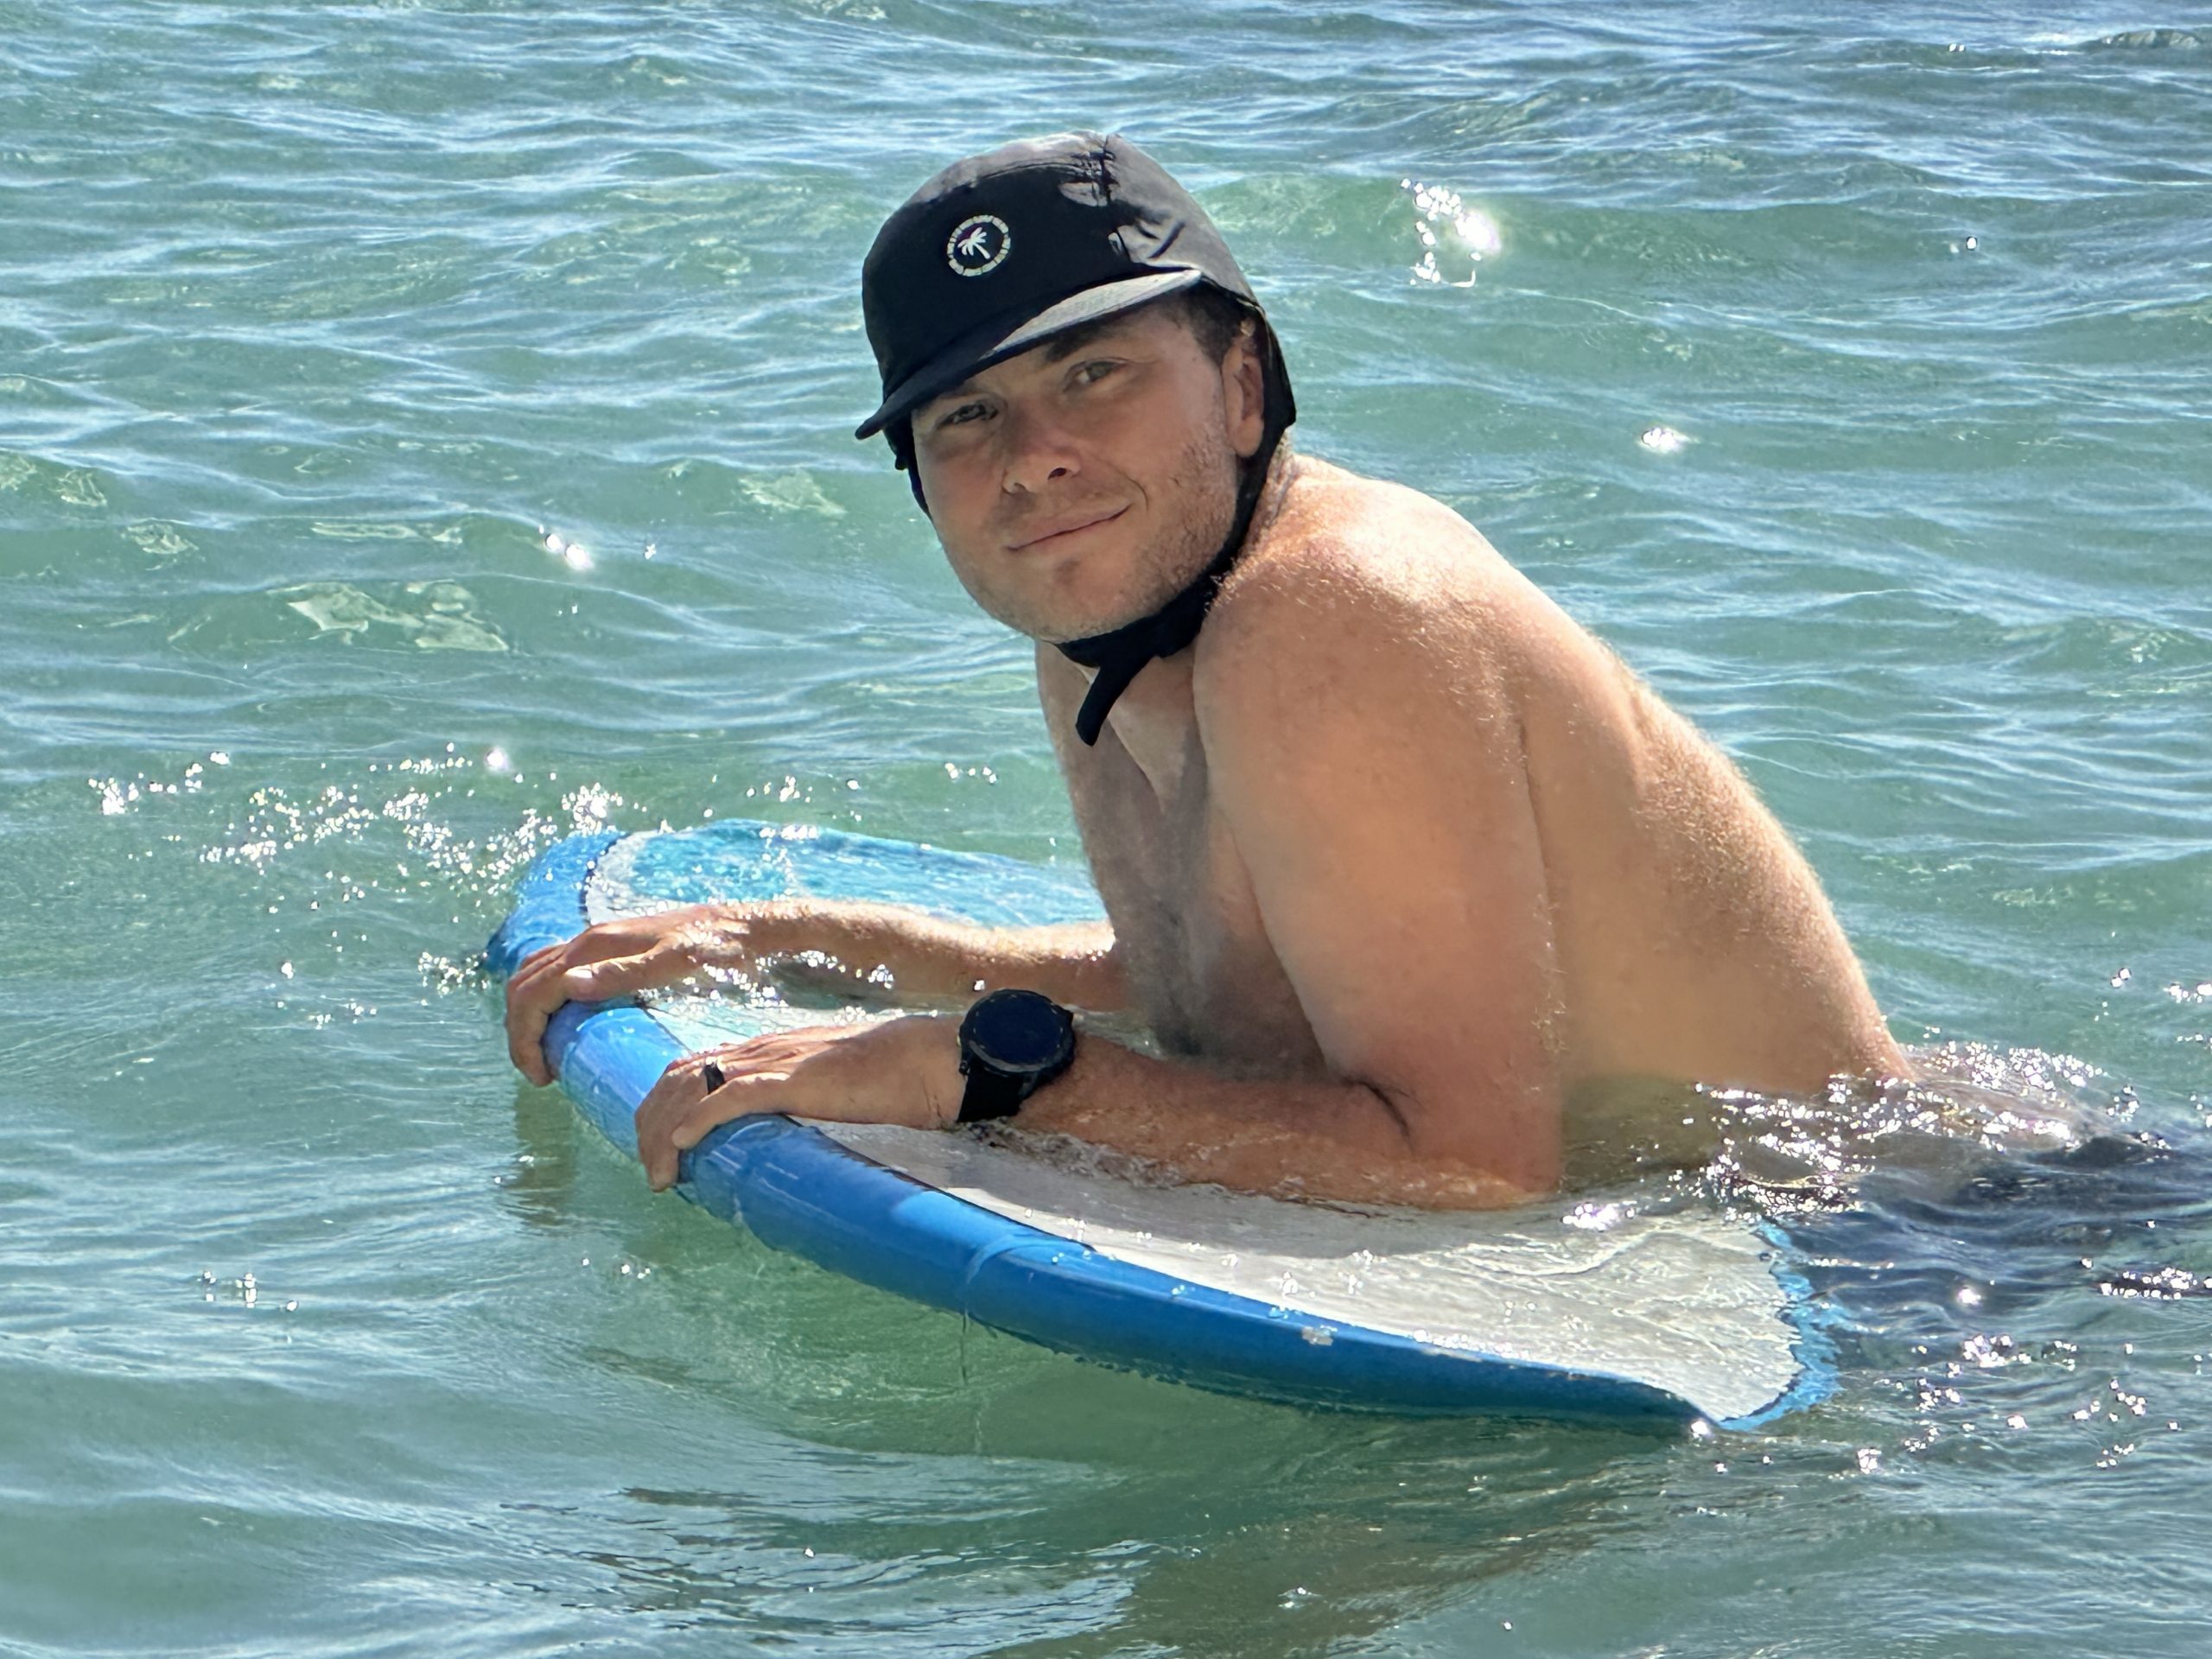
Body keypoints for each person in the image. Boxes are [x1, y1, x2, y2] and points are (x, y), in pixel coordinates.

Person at [505, 131, 1906, 1209]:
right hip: (1820, 1225)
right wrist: (802, 940)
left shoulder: (1334, 614)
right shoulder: (1111, 628)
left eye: (1094, 374)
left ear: (1242, 388)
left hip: (1934, 1257)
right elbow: (1196, 989)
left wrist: (986, 1077)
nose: (1035, 456)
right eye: (970, 415)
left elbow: (1481, 1168)